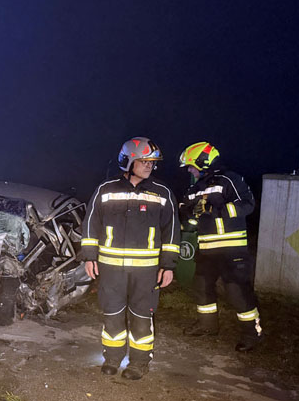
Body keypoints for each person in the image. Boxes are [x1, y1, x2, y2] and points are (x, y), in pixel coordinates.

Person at [82, 137, 179, 380]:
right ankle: (112, 359)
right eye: (143, 161)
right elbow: (90, 225)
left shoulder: (163, 193)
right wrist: (89, 257)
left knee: (142, 318)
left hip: (146, 272)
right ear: (128, 161)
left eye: (152, 162)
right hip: (111, 268)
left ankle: (138, 363)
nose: (149, 166)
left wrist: (168, 266)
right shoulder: (105, 190)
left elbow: (172, 232)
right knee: (112, 315)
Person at [178, 142, 262, 352]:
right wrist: (187, 214)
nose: (189, 170)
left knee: (237, 292)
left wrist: (217, 209)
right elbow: (191, 218)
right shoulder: (194, 189)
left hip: (232, 250)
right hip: (206, 250)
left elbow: (248, 204)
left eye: (190, 165)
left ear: (203, 161)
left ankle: (253, 334)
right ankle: (207, 326)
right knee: (201, 287)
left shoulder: (229, 179)